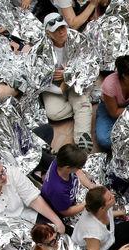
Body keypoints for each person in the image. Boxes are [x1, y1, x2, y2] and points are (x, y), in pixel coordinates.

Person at [0, 157, 65, 234]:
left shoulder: (12, 173)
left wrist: (57, 222)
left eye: (2, 171)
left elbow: (32, 198)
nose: (3, 177)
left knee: (54, 228)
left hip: (24, 215)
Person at [40, 13, 93, 151]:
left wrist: (68, 77)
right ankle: (83, 105)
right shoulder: (41, 50)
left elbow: (90, 63)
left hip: (76, 82)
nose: (61, 31)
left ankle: (82, 140)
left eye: (62, 27)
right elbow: (39, 80)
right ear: (48, 33)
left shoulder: (78, 39)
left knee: (79, 101)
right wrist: (61, 87)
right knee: (54, 113)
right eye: (56, 29)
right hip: (53, 87)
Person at [96, 55, 129, 150]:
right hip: (109, 108)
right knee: (103, 140)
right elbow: (114, 112)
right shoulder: (110, 85)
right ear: (125, 76)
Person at [70, 186, 129, 250]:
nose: (113, 196)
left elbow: (107, 213)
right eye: (110, 198)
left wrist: (119, 213)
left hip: (109, 237)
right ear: (102, 208)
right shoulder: (93, 232)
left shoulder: (98, 208)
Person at [41, 144, 95, 220]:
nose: (80, 169)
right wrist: (88, 203)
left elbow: (77, 172)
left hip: (71, 193)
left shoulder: (60, 161)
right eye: (79, 167)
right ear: (68, 168)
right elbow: (65, 212)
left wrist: (90, 185)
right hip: (66, 207)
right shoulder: (58, 189)